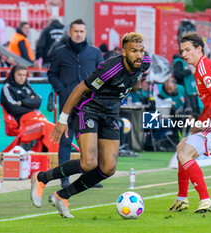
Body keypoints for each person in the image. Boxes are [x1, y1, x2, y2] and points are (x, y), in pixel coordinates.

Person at [30, 32, 150, 218]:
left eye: (141, 51)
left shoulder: (144, 63)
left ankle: (63, 195)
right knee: (89, 163)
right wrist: (62, 120)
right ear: (124, 53)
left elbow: (135, 84)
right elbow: (80, 88)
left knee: (108, 168)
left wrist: (132, 83)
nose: (139, 55)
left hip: (110, 114)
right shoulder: (110, 69)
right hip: (89, 110)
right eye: (133, 51)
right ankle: (41, 178)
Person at [167, 32, 211, 213]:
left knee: (185, 154)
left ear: (199, 49)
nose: (184, 54)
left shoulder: (205, 68)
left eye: (188, 50)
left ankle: (206, 200)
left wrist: (202, 121)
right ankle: (182, 198)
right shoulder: (200, 68)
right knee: (182, 149)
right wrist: (200, 121)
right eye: (182, 50)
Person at [48, 19, 104, 188]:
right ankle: (64, 179)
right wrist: (62, 90)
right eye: (76, 31)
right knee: (65, 141)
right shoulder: (59, 53)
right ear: (70, 33)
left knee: (90, 142)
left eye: (81, 31)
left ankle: (90, 178)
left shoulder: (94, 53)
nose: (78, 34)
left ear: (85, 33)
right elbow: (52, 75)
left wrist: (95, 92)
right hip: (68, 105)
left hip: (89, 105)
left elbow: (103, 76)